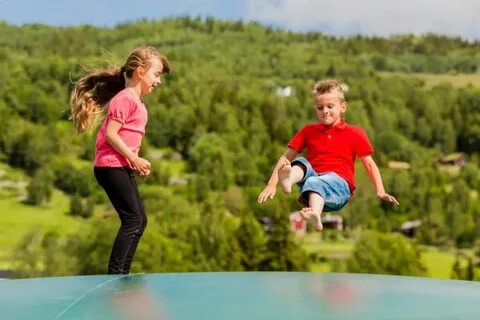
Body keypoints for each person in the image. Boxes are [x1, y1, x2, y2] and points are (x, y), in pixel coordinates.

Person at [70, 46, 170, 274]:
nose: (159, 81)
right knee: (133, 219)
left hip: (121, 166)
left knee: (139, 220)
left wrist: (133, 161)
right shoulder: (125, 99)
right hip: (110, 166)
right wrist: (135, 158)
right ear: (140, 72)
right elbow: (111, 134)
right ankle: (116, 274)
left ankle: (122, 272)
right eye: (156, 74)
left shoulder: (135, 101)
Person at [258, 79, 398, 231]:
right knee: (301, 163)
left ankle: (315, 215)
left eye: (330, 106)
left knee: (315, 181)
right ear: (316, 109)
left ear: (343, 107)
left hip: (339, 188)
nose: (325, 111)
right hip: (314, 184)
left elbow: (369, 164)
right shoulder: (309, 131)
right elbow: (286, 157)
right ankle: (288, 180)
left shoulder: (354, 133)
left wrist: (380, 190)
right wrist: (272, 184)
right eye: (320, 107)